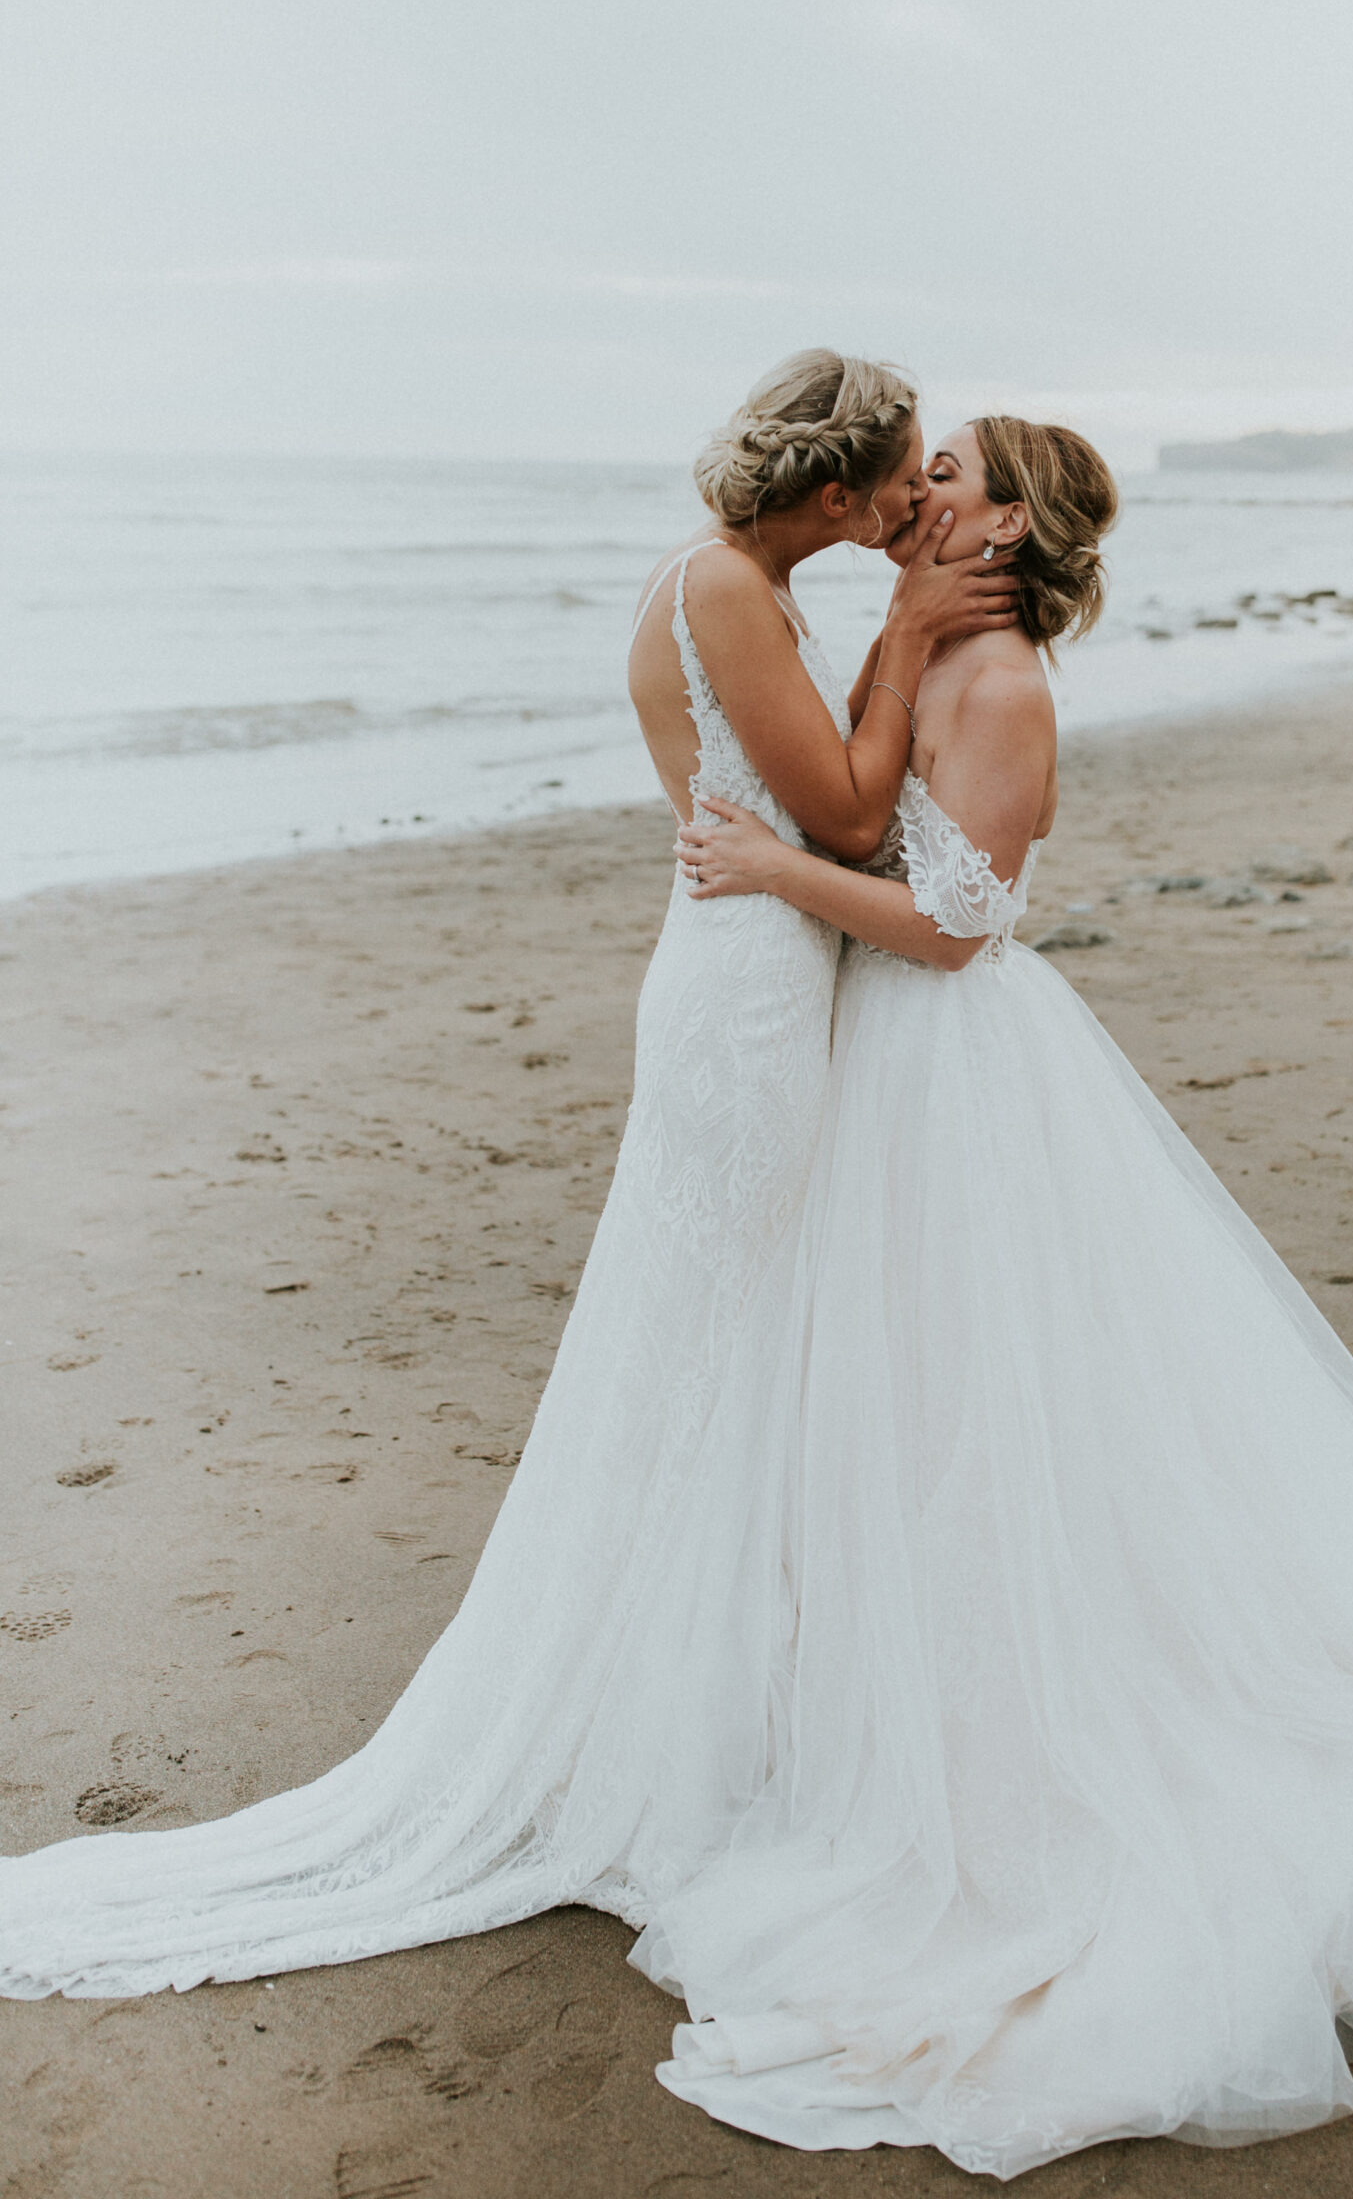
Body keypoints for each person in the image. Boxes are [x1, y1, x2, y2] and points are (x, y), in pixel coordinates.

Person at [659, 416, 1353, 2175]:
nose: (923, 487)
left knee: (999, 1413)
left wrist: (771, 873)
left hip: (958, 1062)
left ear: (1006, 529)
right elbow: (863, 803)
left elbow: (960, 921)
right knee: (927, 1417)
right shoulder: (946, 646)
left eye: (957, 475)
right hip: (899, 1072)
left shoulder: (1005, 689)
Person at [0, 348, 1016, 1998]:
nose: (915, 502)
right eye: (902, 478)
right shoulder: (725, 590)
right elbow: (835, 817)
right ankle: (664, 1739)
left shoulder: (741, 582)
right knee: (721, 1356)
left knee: (737, 1353)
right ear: (835, 495)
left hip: (758, 976)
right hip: (748, 1006)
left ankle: (725, 1709)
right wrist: (907, 642)